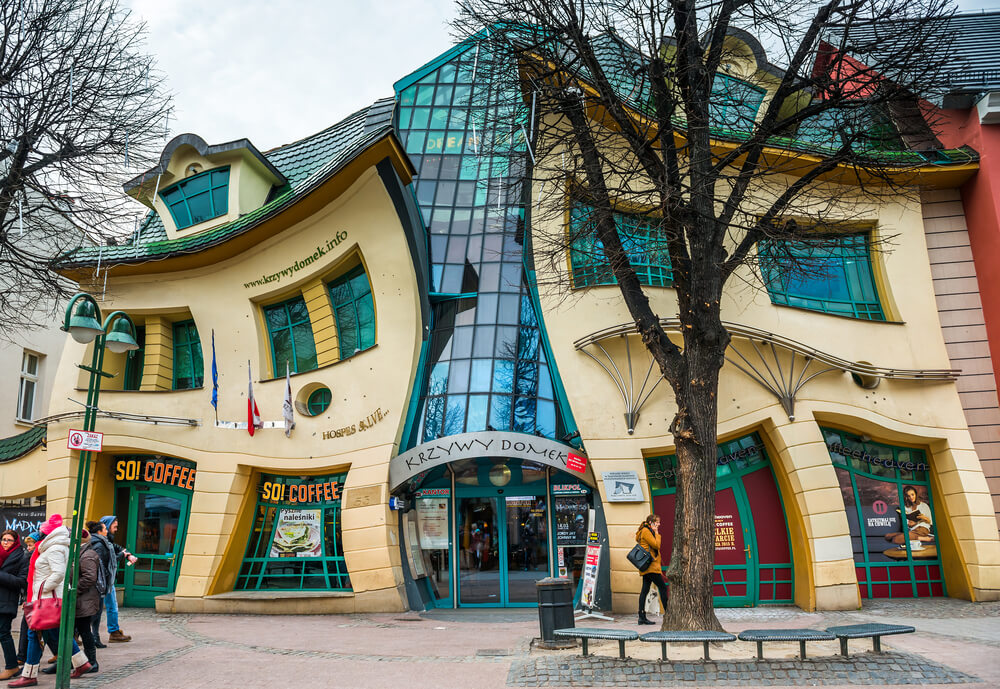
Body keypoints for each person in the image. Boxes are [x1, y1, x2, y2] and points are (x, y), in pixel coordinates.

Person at [10, 514, 92, 687]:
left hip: (46, 599)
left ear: (48, 533)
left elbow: (58, 574)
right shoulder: (55, 547)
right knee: (51, 633)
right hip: (48, 599)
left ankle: (29, 675)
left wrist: (41, 589)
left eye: (42, 532)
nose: (40, 534)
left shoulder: (54, 548)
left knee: (35, 633)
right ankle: (81, 663)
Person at [89, 517, 136, 645]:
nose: (116, 529)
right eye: (114, 526)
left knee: (103, 609)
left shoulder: (105, 541)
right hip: (102, 581)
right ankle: (89, 636)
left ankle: (103, 635)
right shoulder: (100, 543)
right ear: (103, 528)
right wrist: (121, 555)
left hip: (106, 580)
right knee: (97, 611)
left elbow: (116, 548)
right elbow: (103, 562)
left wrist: (127, 554)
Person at [0, 531, 28, 680]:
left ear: (15, 542)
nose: (5, 542)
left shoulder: (21, 557)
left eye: (9, 540)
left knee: (3, 633)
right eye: (3, 539)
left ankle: (11, 666)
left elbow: (22, 581)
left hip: (7, 601)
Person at [73, 530, 101, 675]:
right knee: (79, 630)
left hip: (84, 600)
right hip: (81, 599)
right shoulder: (80, 552)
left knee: (84, 630)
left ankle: (92, 661)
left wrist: (74, 590)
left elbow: (89, 577)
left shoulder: (87, 554)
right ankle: (74, 661)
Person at [636, 514, 667, 626]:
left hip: (647, 565)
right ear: (651, 523)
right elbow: (656, 545)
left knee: (645, 590)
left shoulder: (645, 530)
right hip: (651, 566)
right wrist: (657, 533)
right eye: (657, 522)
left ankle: (641, 617)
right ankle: (668, 614)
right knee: (662, 587)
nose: (659, 524)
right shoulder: (646, 531)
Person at [14, 534, 39, 668]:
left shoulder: (33, 558)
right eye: (27, 545)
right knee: (28, 628)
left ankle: (24, 657)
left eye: (31, 545)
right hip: (29, 598)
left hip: (35, 598)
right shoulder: (27, 558)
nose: (28, 548)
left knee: (33, 629)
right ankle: (23, 656)